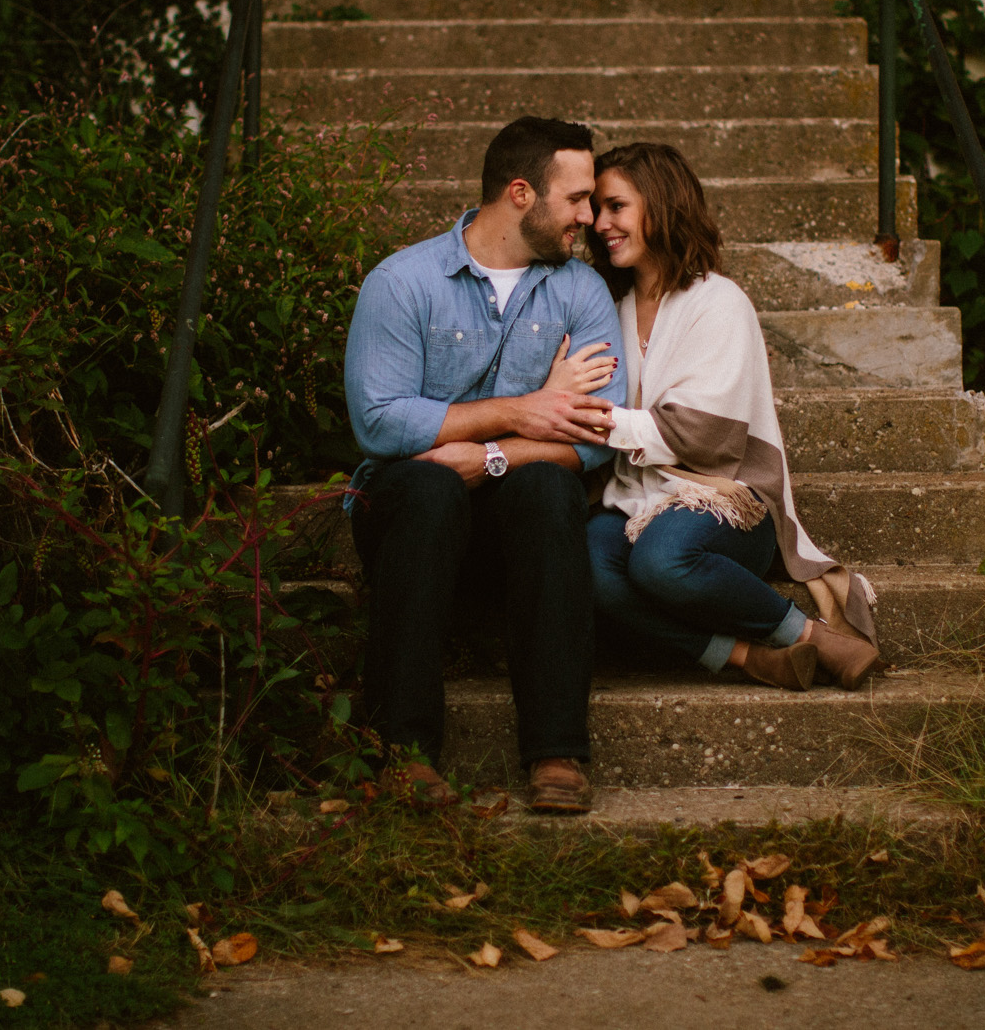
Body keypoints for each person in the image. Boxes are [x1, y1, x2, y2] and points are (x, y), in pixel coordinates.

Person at [343, 116, 626, 813]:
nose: (589, 218)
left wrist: (491, 452)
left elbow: (594, 432)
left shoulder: (581, 292)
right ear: (521, 193)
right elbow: (380, 420)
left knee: (548, 483)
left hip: (513, 532)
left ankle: (557, 752)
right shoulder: (403, 282)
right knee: (429, 485)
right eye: (578, 199)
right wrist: (524, 410)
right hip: (408, 520)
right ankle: (401, 752)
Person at [581, 142, 880, 691]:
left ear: (661, 206)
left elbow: (702, 435)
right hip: (634, 494)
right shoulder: (606, 305)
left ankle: (807, 636)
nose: (599, 223)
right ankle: (745, 656)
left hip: (728, 497)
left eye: (616, 207)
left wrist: (588, 419)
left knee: (661, 561)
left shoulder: (718, 302)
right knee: (585, 569)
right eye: (597, 209)